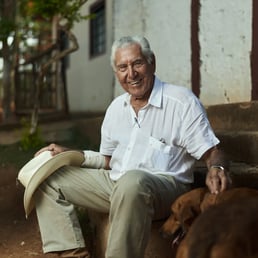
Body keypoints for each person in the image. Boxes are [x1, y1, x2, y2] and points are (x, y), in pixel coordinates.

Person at [33, 36, 231, 258]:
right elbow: (108, 160)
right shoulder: (116, 108)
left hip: (165, 188)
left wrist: (218, 168)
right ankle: (69, 254)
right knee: (47, 177)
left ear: (151, 62)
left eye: (137, 63)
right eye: (122, 67)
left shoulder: (182, 102)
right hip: (116, 184)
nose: (131, 74)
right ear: (116, 73)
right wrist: (72, 154)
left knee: (132, 181)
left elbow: (213, 152)